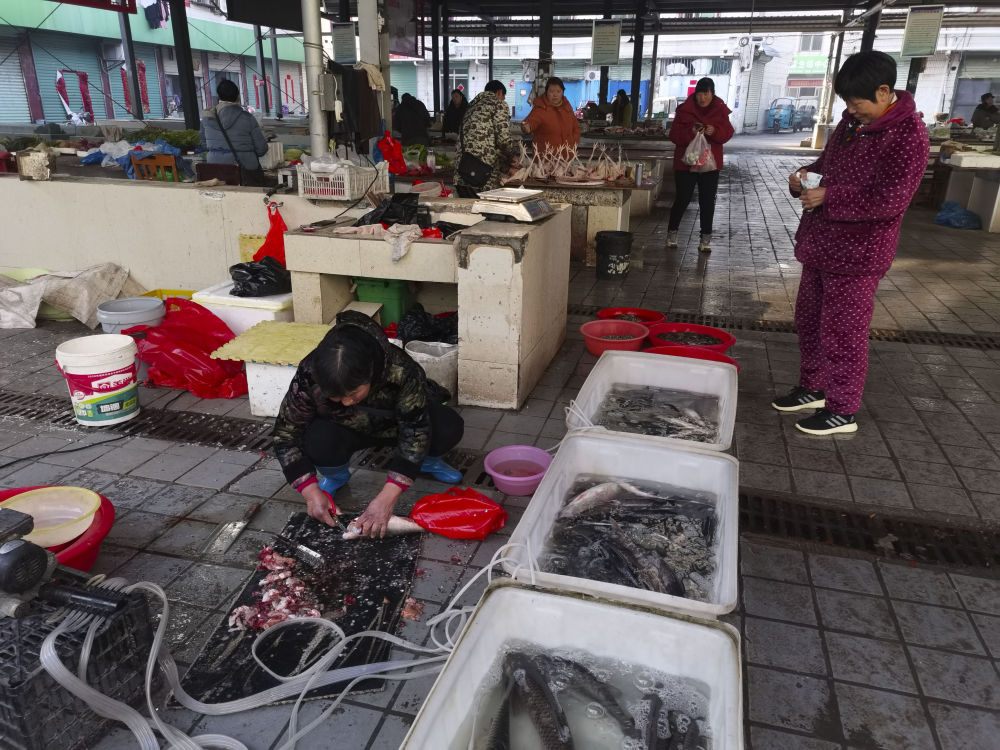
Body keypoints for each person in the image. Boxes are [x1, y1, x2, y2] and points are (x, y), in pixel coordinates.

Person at [772, 50, 929, 436]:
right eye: (847, 102)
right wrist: (805, 176)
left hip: (859, 253)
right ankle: (814, 387)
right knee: (809, 320)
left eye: (857, 103)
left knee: (844, 331)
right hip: (821, 243)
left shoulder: (908, 135)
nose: (851, 110)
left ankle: (842, 408)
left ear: (883, 91)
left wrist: (830, 196)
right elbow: (826, 166)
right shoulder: (851, 123)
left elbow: (891, 200)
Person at [273, 311, 465, 538]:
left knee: (446, 426)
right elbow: (286, 434)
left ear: (370, 373)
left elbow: (415, 430)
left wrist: (387, 498)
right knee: (316, 439)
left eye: (353, 393)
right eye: (336, 397)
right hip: (344, 427)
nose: (346, 402)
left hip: (395, 426)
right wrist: (310, 491)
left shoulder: (401, 370)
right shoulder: (310, 371)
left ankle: (425, 462)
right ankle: (336, 476)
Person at [666, 77, 734, 253]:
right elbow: (674, 135)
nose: (702, 98)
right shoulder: (684, 110)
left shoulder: (720, 110)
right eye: (699, 94)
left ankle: (705, 238)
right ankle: (672, 233)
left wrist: (714, 131)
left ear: (712, 93)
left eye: (706, 93)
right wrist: (690, 132)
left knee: (707, 201)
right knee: (683, 198)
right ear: (695, 94)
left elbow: (727, 133)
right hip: (686, 164)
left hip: (709, 164)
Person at [455, 80, 518, 198]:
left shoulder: (471, 108)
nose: (503, 100)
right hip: (482, 178)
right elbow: (504, 140)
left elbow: (486, 145)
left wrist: (506, 167)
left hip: (462, 174)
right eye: (503, 97)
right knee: (485, 209)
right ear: (499, 92)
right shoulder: (498, 104)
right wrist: (513, 156)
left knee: (469, 209)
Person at [199, 79, 268, 185]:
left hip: (215, 170)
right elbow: (261, 149)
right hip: (245, 170)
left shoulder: (207, 118)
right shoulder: (247, 118)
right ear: (238, 97)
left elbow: (204, 145)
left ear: (218, 97)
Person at [521, 76, 580, 155]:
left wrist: (573, 144)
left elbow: (576, 128)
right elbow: (532, 121)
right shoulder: (541, 108)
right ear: (546, 92)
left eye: (558, 91)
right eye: (551, 91)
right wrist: (527, 126)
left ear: (562, 92)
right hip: (546, 158)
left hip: (566, 157)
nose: (555, 95)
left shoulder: (567, 108)